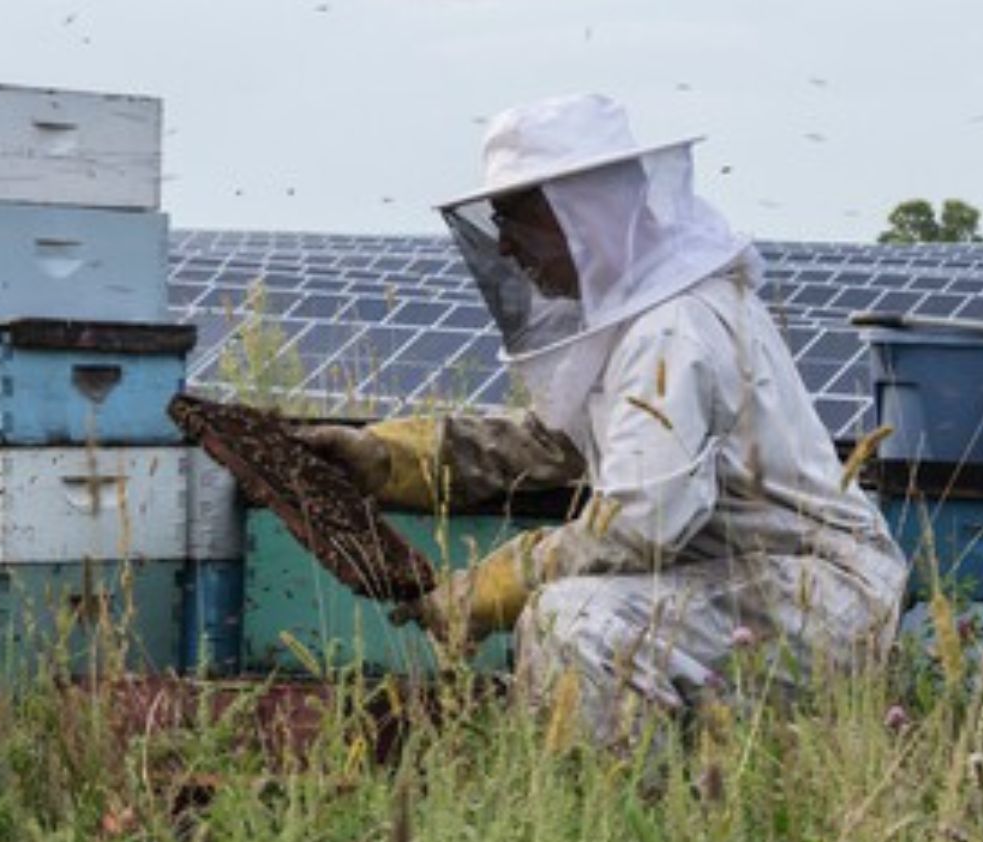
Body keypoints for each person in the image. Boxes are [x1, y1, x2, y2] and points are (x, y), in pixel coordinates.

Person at [301, 93, 907, 747]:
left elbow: (640, 524)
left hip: (814, 590)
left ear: (587, 214)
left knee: (576, 621)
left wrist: (491, 586)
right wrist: (391, 458)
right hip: (747, 579)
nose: (504, 246)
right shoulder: (637, 316)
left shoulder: (673, 327)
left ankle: (613, 823)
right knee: (586, 613)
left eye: (519, 221)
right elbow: (552, 441)